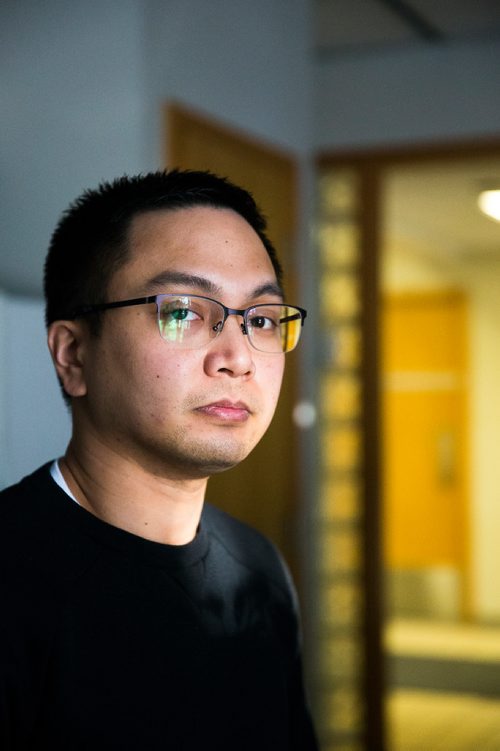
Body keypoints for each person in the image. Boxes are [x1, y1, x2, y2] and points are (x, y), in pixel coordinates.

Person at [0, 169, 317, 750]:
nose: (238, 359)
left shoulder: (259, 568)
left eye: (264, 320)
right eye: (183, 312)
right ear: (73, 354)